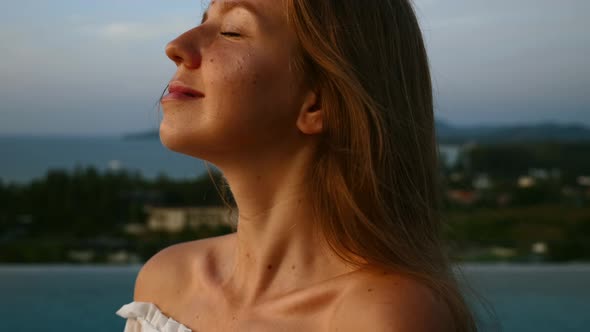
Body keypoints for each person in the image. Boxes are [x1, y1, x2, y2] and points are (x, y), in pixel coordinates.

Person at [116, 0, 477, 331]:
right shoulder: (165, 283)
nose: (176, 46)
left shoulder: (381, 317)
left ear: (318, 104)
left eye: (233, 31)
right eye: (204, 20)